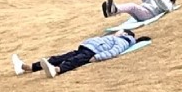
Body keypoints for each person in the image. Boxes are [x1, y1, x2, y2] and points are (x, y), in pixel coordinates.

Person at [11, 30, 149, 78]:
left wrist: (97, 57)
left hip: (92, 52)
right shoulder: (113, 37)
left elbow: (114, 52)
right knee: (60, 57)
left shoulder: (123, 41)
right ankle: (29, 67)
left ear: (125, 34)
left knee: (74, 60)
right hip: (86, 47)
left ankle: (57, 70)